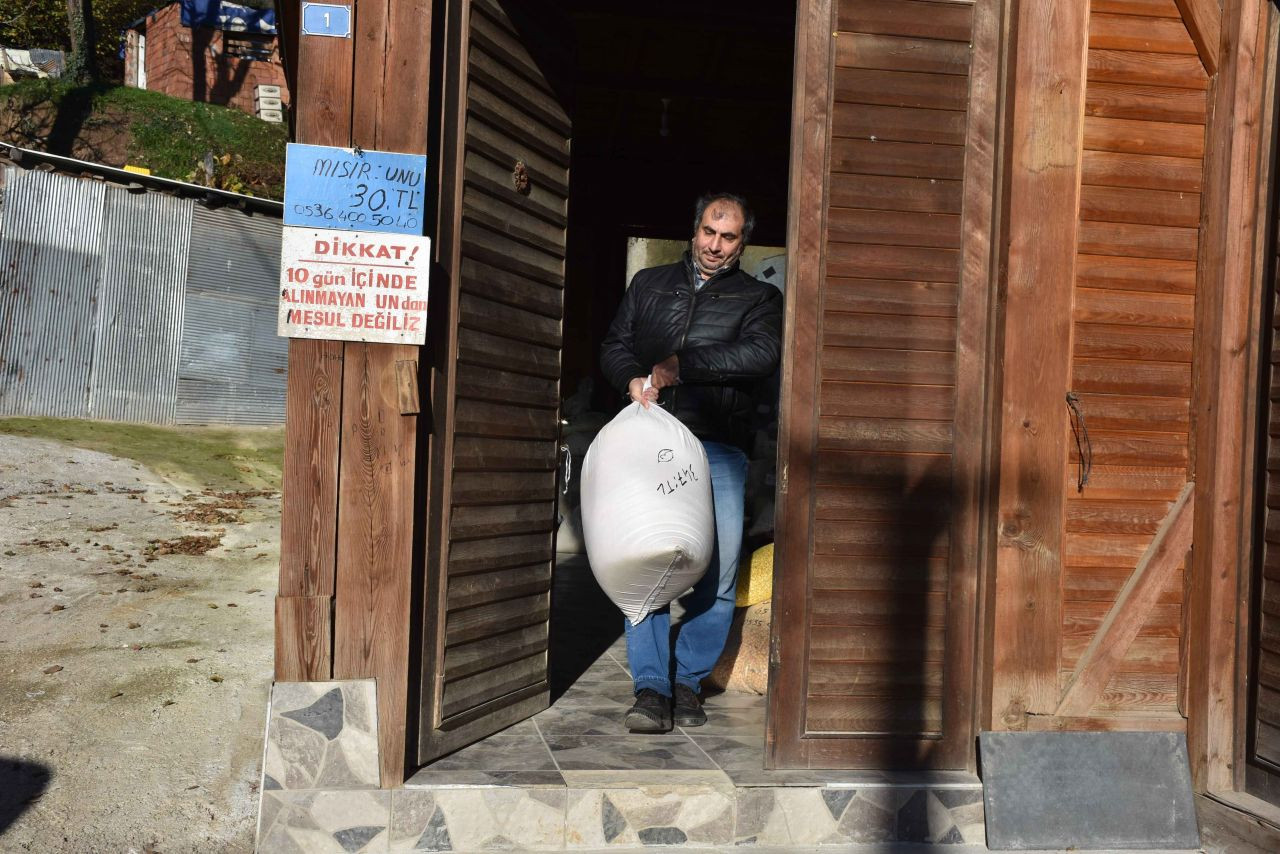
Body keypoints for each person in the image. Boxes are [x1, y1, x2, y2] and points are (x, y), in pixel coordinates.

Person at [599, 192, 783, 732]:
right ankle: (652, 688)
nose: (715, 246)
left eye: (728, 238)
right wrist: (631, 378)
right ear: (694, 229)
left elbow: (761, 355)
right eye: (708, 232)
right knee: (645, 560)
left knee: (718, 573)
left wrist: (685, 366)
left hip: (718, 447)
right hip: (650, 446)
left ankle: (689, 680)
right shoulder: (648, 285)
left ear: (742, 242)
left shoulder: (759, 299)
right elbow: (615, 346)